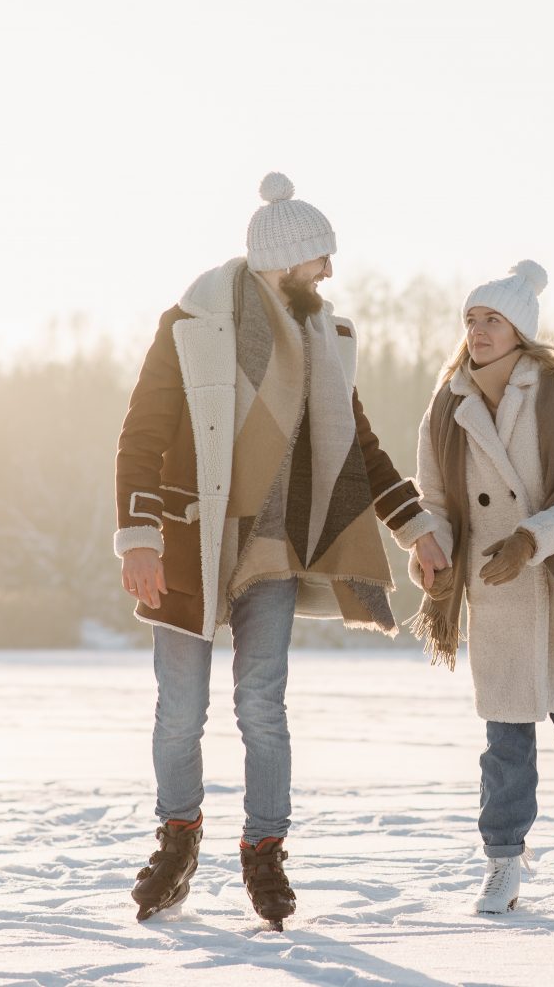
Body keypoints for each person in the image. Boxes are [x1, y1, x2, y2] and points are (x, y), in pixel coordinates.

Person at [112, 172, 445, 925]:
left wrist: (416, 527)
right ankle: (178, 840)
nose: (328, 272)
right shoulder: (191, 323)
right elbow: (142, 435)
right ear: (284, 260)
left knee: (262, 707)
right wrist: (138, 539)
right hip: (190, 542)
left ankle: (264, 851)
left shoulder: (326, 341)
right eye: (319, 259)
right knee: (179, 713)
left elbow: (359, 446)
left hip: (275, 552)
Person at [403, 260, 554, 914]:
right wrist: (432, 552)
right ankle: (503, 865)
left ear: (521, 330)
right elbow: (435, 502)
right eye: (471, 320)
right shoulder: (447, 404)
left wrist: (530, 541)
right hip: (498, 593)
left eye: (493, 320)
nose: (478, 331)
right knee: (505, 748)